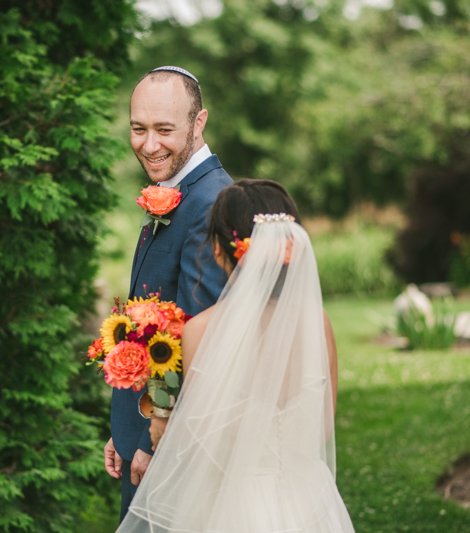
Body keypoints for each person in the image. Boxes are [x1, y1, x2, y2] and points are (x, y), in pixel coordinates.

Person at [117, 180, 355, 532]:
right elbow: (323, 426)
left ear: (217, 248)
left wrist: (160, 421)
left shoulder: (202, 330)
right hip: (309, 501)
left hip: (232, 503)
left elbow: (199, 442)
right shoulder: (319, 323)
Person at [104, 66, 234, 522]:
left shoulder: (211, 202)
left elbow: (201, 337)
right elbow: (154, 320)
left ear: (199, 123)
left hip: (168, 446)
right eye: (138, 129)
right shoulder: (176, 188)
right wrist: (125, 426)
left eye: (165, 129)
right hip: (143, 428)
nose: (149, 144)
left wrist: (151, 440)